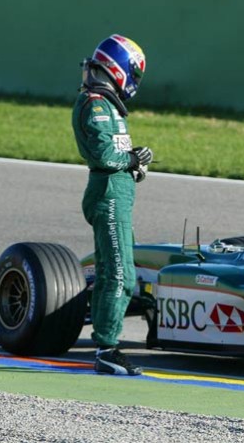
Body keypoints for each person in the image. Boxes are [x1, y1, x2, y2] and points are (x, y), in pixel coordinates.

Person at [72, 34, 153, 376]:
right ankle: (107, 348)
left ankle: (107, 345)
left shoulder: (108, 103)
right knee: (120, 275)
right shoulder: (95, 103)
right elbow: (105, 155)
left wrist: (135, 165)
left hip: (117, 194)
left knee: (114, 271)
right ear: (118, 68)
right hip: (107, 196)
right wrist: (129, 158)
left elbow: (116, 158)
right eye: (133, 73)